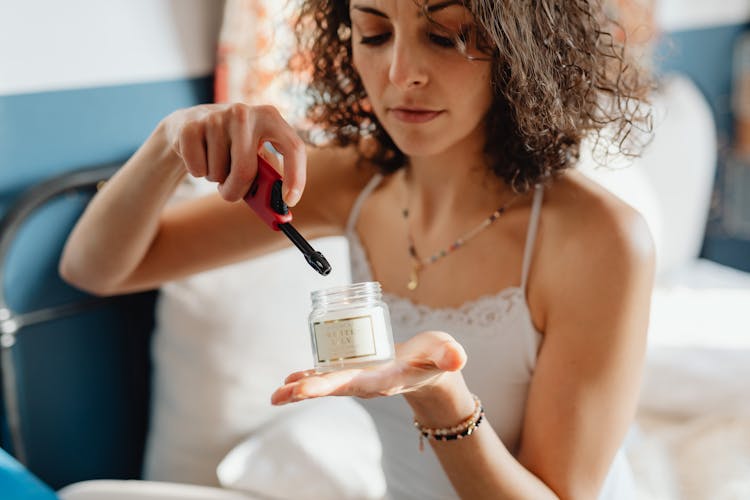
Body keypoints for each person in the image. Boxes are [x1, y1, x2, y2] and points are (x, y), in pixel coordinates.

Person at [60, 0, 655, 498]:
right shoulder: (353, 184)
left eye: (445, 37)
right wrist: (170, 141)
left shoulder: (597, 239)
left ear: (521, 44)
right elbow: (96, 269)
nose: (400, 72)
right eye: (374, 33)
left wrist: (439, 397)